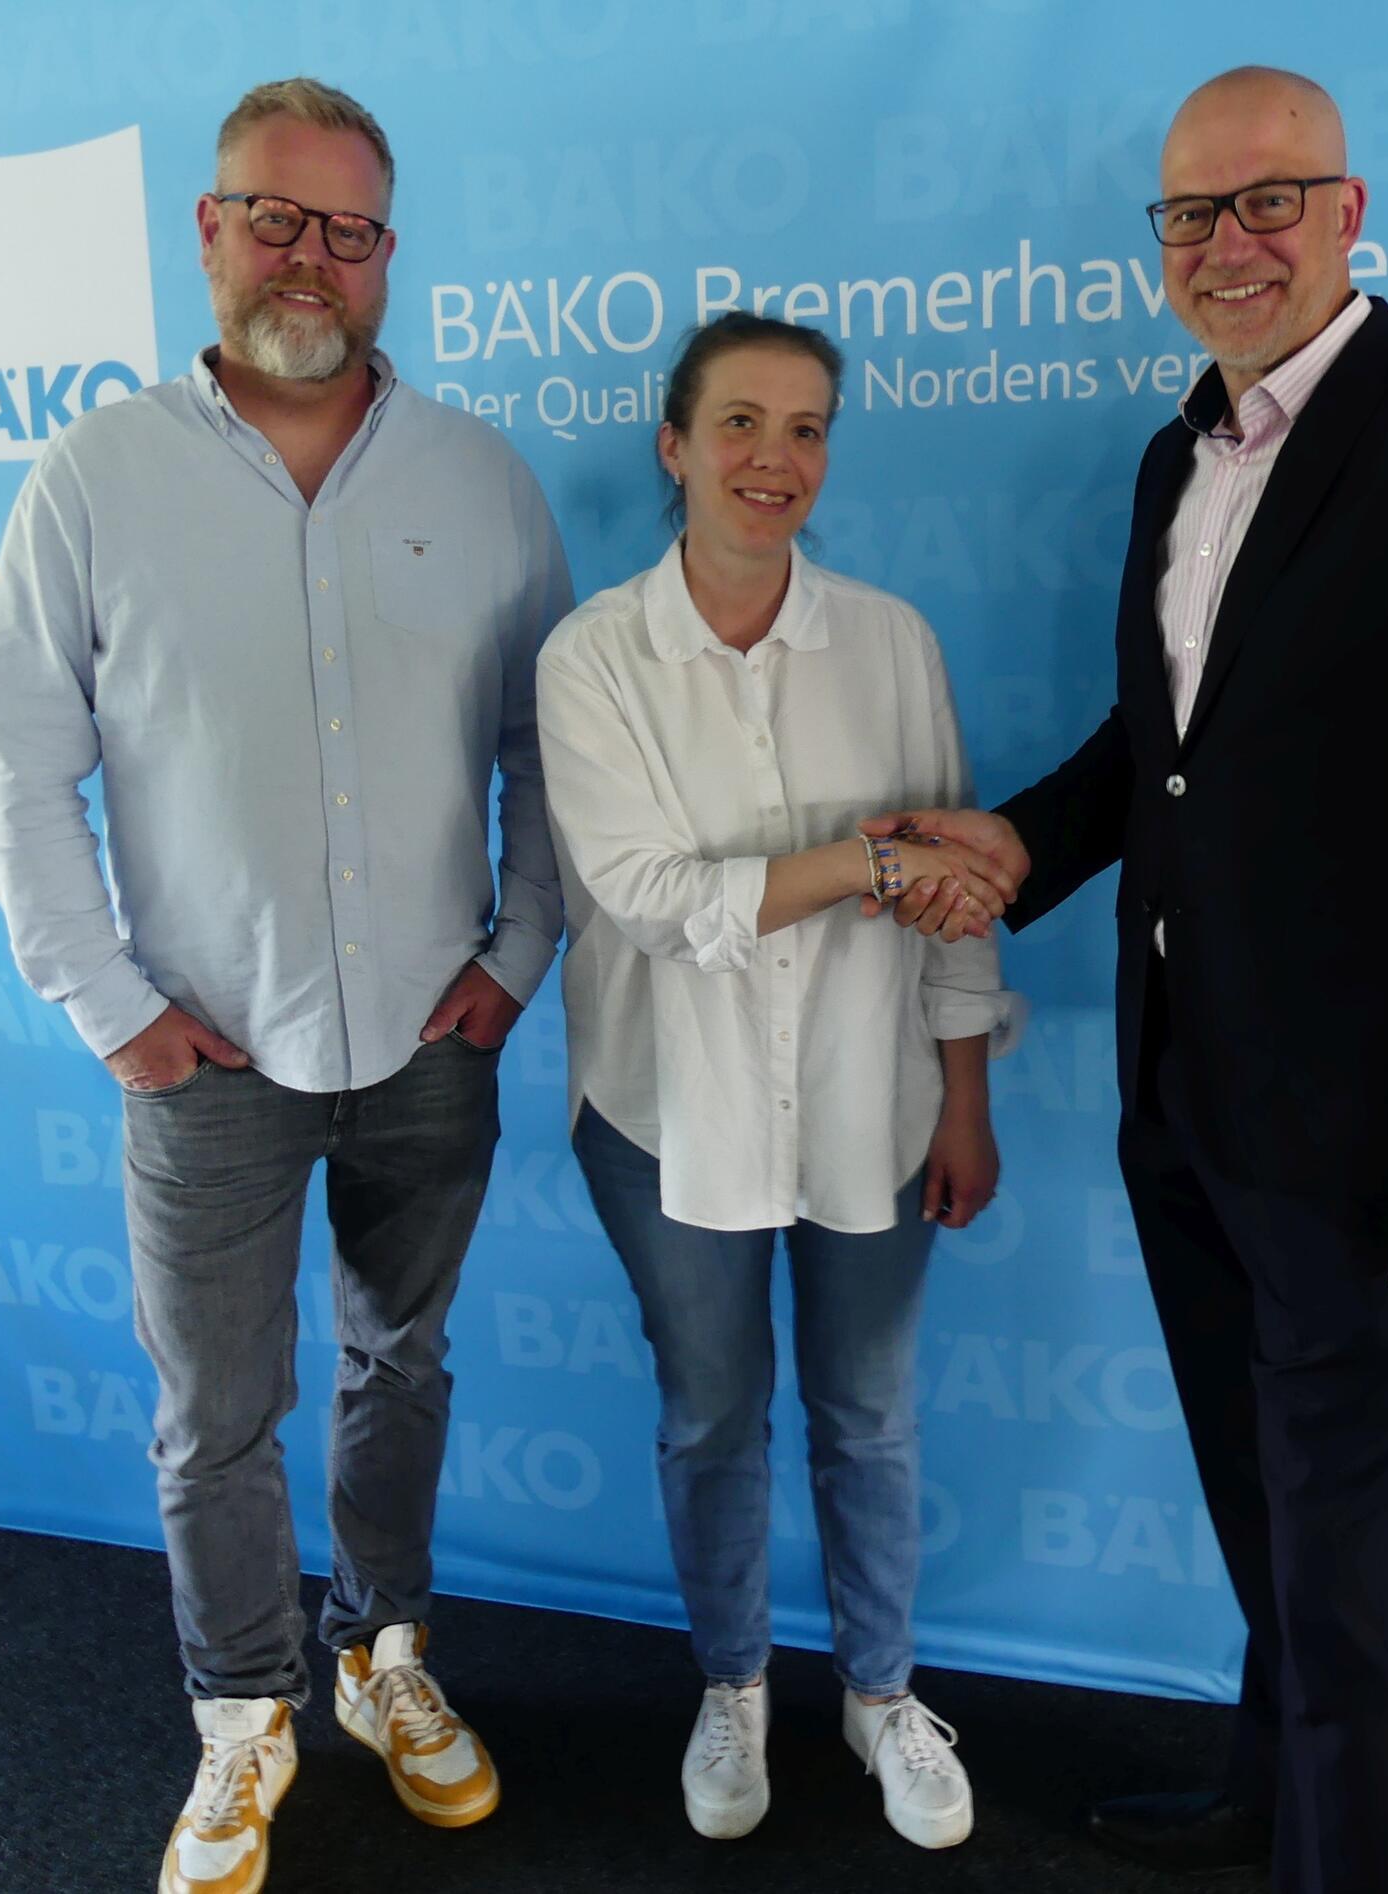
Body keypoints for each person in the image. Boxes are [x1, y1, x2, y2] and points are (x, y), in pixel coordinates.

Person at [863, 65, 1388, 1894]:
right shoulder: (1176, 453)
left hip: (1379, 1146)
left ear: (1350, 213)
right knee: (1263, 1507)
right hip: (1187, 1104)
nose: (1229, 245)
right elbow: (1171, 753)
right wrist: (1021, 851)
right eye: (1192, 215)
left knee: (1347, 1547)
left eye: (1268, 202)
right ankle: (1267, 1792)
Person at [0, 77, 571, 1894]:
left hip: (425, 1040)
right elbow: (14, 772)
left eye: (351, 227)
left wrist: (517, 954)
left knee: (402, 1360)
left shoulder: (480, 479)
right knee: (212, 1416)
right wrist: (113, 1006)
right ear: (211, 230)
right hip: (201, 1056)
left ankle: (384, 1656)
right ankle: (244, 1717)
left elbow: (555, 748)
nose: (312, 255)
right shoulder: (95, 477)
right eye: (276, 216)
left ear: (393, 255)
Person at [534, 312, 1020, 1852]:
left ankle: (879, 1693)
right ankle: (732, 1684)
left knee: (869, 1414)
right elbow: (653, 899)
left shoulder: (891, 639)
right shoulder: (591, 654)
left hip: (873, 1107)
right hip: (665, 1114)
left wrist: (966, 1094)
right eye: (739, 424)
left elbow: (956, 898)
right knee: (709, 1417)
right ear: (672, 447)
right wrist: (869, 862)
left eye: (806, 430)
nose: (774, 459)